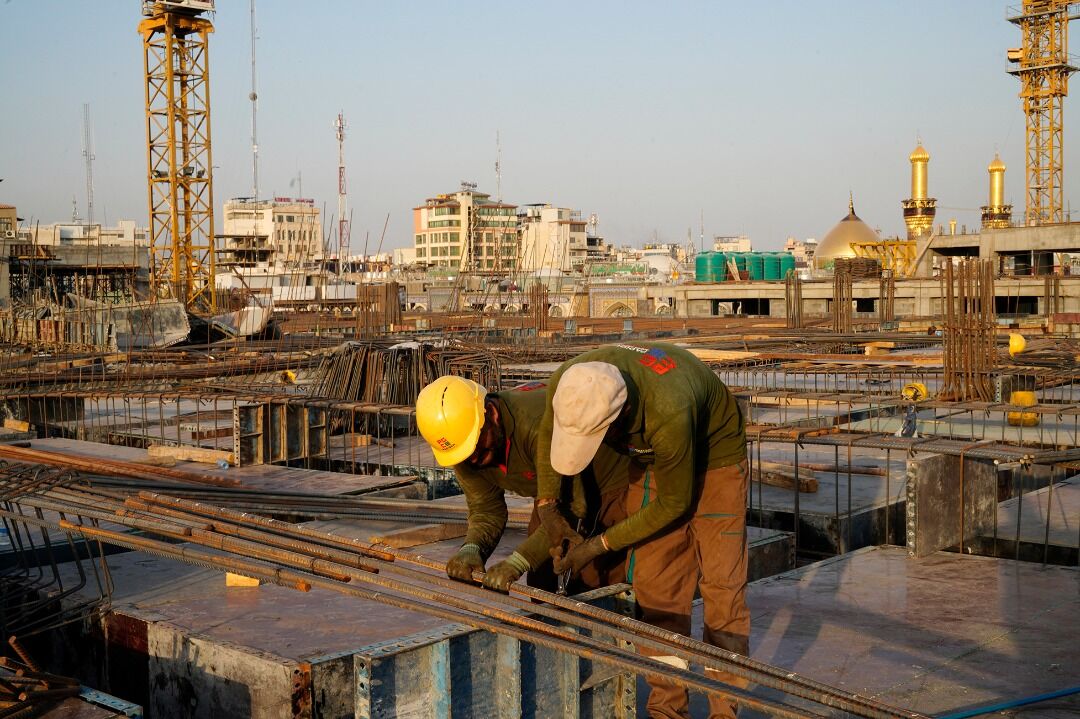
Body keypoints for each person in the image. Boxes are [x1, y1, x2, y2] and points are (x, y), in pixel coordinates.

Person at [534, 342, 748, 719]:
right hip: (650, 457)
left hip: (716, 455)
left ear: (620, 416)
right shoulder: (571, 383)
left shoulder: (668, 407)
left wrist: (597, 546)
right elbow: (548, 434)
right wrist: (548, 507)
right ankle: (667, 711)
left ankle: (724, 711)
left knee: (722, 587)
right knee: (656, 589)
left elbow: (674, 503)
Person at [414, 375, 627, 593]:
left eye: (475, 446)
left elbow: (573, 507)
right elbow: (487, 511)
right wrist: (473, 547)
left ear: (493, 414)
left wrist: (519, 561)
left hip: (610, 479)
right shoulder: (465, 446)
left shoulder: (534, 425)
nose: (473, 458)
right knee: (543, 581)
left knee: (597, 578)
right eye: (465, 453)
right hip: (553, 491)